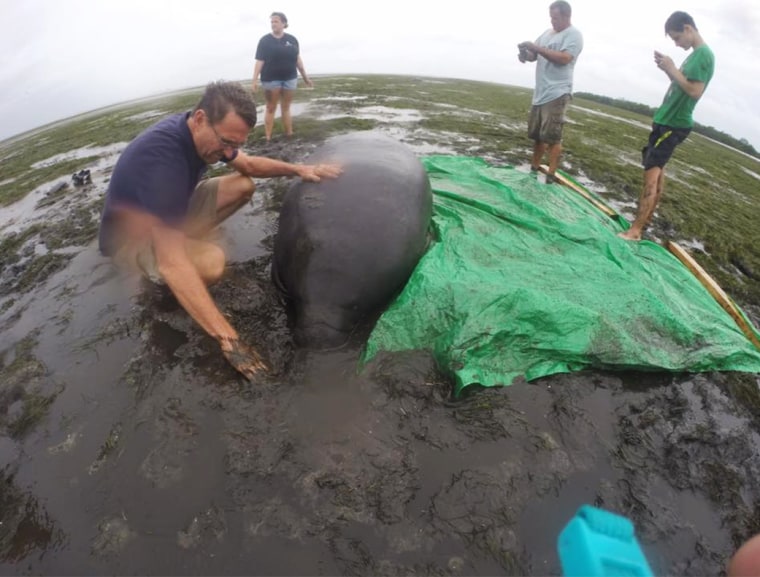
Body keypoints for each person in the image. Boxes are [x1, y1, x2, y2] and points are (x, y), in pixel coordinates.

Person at [97, 81, 341, 380]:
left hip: (171, 208)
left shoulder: (203, 134)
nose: (228, 152)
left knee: (242, 185)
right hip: (130, 239)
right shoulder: (163, 159)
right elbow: (172, 263)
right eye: (225, 143)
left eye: (234, 145)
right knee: (211, 261)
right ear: (200, 119)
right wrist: (229, 340)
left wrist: (299, 169)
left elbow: (249, 165)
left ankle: (182, 241)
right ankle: (147, 269)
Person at [619, 11, 715, 241]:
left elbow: (694, 91)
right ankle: (646, 221)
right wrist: (668, 69)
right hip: (666, 120)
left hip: (674, 124)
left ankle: (635, 230)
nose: (676, 43)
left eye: (677, 38)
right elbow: (683, 85)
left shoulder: (703, 55)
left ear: (688, 28)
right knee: (658, 172)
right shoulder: (694, 56)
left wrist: (672, 68)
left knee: (650, 175)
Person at [517, 1, 583, 184]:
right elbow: (534, 56)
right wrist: (525, 55)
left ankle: (551, 175)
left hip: (557, 92)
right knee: (538, 136)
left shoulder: (574, 35)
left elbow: (564, 58)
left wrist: (536, 48)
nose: (552, 21)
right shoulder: (546, 34)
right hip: (540, 93)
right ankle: (534, 168)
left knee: (553, 137)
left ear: (566, 16)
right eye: (551, 17)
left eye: (555, 18)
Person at [252, 12, 313, 142]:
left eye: (276, 21)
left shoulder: (292, 40)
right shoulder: (265, 41)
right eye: (272, 22)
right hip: (270, 80)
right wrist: (254, 80)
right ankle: (268, 137)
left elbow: (297, 60)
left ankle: (289, 134)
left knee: (286, 107)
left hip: (290, 78)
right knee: (270, 107)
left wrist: (305, 78)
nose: (273, 24)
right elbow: (259, 61)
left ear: (284, 23)